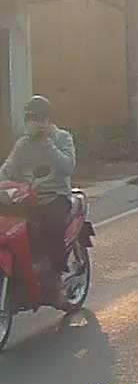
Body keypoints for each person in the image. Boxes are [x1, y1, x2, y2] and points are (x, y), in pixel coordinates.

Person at [0, 96, 77, 308]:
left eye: (41, 119)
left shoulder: (62, 138)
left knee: (52, 226)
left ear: (49, 119)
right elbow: (8, 168)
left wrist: (47, 144)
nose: (37, 123)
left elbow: (68, 167)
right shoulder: (23, 144)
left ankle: (56, 280)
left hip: (55, 197)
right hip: (27, 198)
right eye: (32, 119)